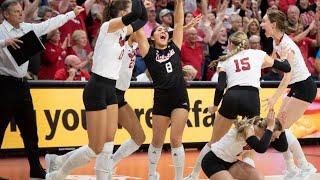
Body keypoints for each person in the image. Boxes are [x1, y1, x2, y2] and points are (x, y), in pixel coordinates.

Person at [45, 0, 147, 179]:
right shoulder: (107, 27)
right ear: (123, 14)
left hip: (111, 90)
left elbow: (142, 18)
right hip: (97, 87)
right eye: (129, 11)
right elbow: (136, 15)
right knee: (95, 147)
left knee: (108, 144)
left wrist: (140, 4)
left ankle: (99, 174)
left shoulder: (123, 32)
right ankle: (58, 175)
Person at [185, 31, 292, 180]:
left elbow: (221, 87)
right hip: (251, 97)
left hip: (232, 97)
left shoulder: (225, 60)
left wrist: (215, 107)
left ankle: (193, 175)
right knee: (250, 138)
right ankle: (251, 171)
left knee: (213, 142)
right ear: (246, 44)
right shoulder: (257, 54)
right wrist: (286, 57)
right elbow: (286, 67)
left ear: (230, 44)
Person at [0, 0, 84, 179]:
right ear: (5, 14)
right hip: (4, 85)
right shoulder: (0, 32)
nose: (21, 14)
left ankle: (36, 168)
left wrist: (72, 14)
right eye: (16, 12)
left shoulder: (26, 28)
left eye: (20, 11)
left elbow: (49, 24)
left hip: (22, 85)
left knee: (30, 130)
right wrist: (3, 43)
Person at [135, 0, 191, 179]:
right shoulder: (149, 53)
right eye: (159, 30)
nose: (163, 31)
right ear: (152, 37)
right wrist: (141, 8)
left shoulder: (175, 47)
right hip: (161, 100)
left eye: (164, 30)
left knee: (176, 139)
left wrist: (179, 3)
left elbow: (178, 23)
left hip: (180, 98)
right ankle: (152, 174)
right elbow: (138, 30)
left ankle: (179, 177)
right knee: (157, 141)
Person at [260, 10, 318, 179]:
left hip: (305, 87)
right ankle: (292, 168)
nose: (262, 25)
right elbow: (268, 61)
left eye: (264, 22)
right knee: (279, 129)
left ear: (273, 24)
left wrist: (274, 98)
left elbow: (287, 77)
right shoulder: (275, 42)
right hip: (297, 87)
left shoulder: (287, 46)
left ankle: (305, 166)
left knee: (278, 128)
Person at [202, 109, 288, 180]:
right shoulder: (248, 129)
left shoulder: (263, 135)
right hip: (213, 161)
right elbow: (260, 149)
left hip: (231, 162)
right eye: (272, 136)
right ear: (266, 130)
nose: (273, 139)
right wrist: (270, 127)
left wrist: (282, 129)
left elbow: (283, 148)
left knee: (259, 178)